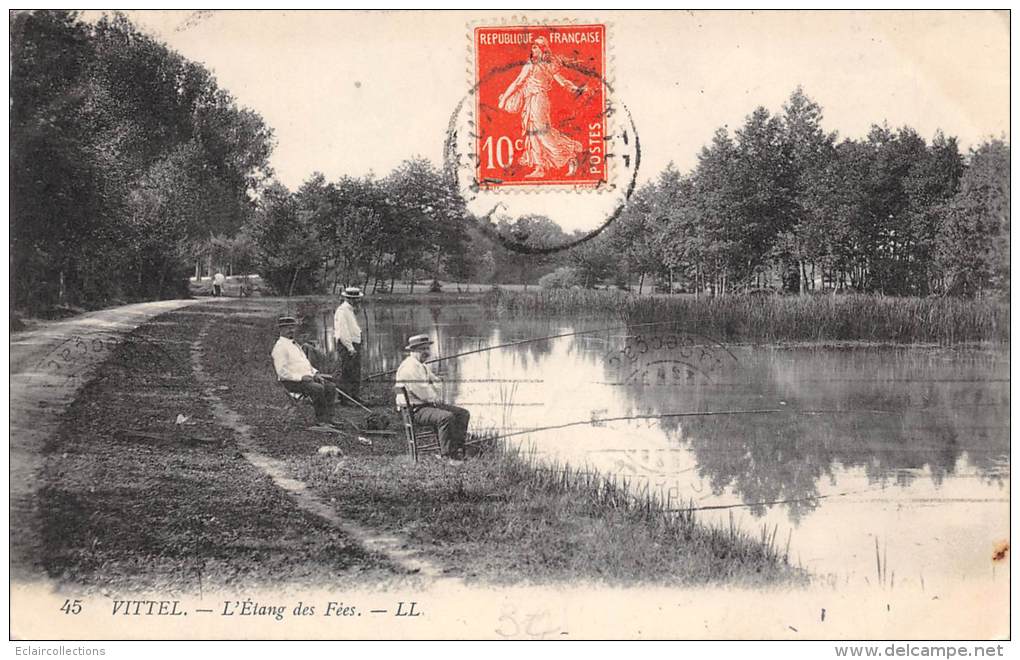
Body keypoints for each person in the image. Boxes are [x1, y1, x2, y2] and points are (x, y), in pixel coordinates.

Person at [497, 36, 590, 178]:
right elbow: (518, 82)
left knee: (543, 134)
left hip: (539, 100)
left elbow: (561, 81)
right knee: (531, 134)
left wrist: (504, 99)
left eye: (535, 47)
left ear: (542, 50)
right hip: (531, 100)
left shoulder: (544, 65)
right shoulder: (535, 64)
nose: (533, 50)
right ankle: (539, 167)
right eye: (532, 47)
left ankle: (568, 156)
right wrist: (504, 98)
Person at [395, 334, 470, 462]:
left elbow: (436, 382)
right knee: (446, 417)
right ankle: (447, 455)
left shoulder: (421, 365)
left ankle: (457, 450)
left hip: (424, 405)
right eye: (422, 349)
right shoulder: (409, 368)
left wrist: (434, 385)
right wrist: (434, 390)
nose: (427, 352)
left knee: (463, 413)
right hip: (414, 411)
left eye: (427, 349)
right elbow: (425, 394)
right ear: (413, 351)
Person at [272, 316, 337, 426]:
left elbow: (306, 364)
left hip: (307, 379)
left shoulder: (295, 344)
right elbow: (281, 372)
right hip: (291, 382)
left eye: (292, 327)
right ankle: (321, 421)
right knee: (318, 388)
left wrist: (315, 373)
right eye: (287, 328)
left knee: (330, 387)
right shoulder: (280, 347)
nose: (291, 330)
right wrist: (300, 378)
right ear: (281, 330)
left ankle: (329, 419)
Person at [333, 286, 364, 403]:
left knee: (355, 371)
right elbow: (343, 332)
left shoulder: (349, 310)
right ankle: (345, 399)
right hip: (347, 346)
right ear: (351, 299)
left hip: (353, 344)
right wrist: (350, 348)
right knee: (347, 371)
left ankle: (354, 396)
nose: (358, 302)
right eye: (357, 299)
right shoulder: (342, 311)